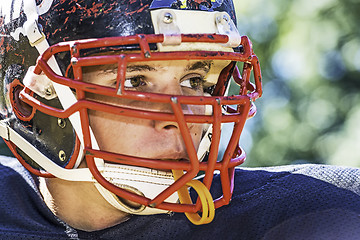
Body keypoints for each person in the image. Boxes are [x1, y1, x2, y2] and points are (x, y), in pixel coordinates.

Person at [0, 0, 359, 239]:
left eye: (194, 82)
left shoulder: (317, 214)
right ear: (31, 102)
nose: (180, 117)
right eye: (135, 81)